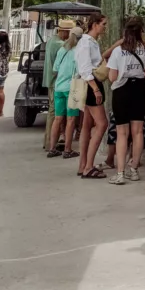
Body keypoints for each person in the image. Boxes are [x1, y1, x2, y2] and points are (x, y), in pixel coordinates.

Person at [102, 32, 145, 170]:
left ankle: (128, 163)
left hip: (127, 87)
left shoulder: (144, 44)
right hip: (138, 87)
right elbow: (106, 55)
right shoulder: (125, 46)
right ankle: (117, 160)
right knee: (132, 129)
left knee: (125, 129)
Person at [106, 17, 145, 185]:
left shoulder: (118, 51)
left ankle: (119, 173)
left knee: (122, 133)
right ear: (140, 32)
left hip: (122, 91)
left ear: (125, 33)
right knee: (138, 132)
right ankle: (133, 169)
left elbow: (112, 77)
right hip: (139, 90)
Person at [76, 12, 108, 179]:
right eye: (103, 24)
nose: (104, 27)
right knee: (102, 124)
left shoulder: (91, 42)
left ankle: (84, 164)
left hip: (92, 83)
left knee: (87, 125)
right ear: (95, 24)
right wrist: (95, 88)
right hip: (91, 84)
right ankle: (88, 166)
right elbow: (85, 68)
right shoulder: (86, 43)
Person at [46, 26, 83, 159]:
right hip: (73, 87)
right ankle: (67, 149)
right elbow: (80, 71)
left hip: (58, 87)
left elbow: (55, 68)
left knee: (57, 118)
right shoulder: (78, 52)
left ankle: (52, 149)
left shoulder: (62, 49)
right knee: (71, 119)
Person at [43, 19, 75, 149]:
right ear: (65, 32)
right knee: (54, 113)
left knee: (54, 113)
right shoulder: (60, 44)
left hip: (52, 81)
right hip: (56, 81)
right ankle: (50, 142)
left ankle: (50, 142)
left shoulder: (51, 40)